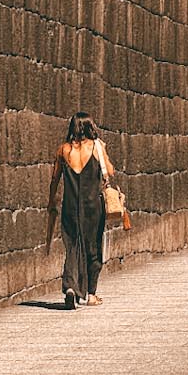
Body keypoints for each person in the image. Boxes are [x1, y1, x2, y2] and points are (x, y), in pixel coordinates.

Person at [46, 113, 126, 309]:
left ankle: (70, 287)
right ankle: (91, 294)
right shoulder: (97, 147)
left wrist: (51, 203)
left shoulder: (63, 150)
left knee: (72, 246)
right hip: (93, 206)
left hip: (70, 206)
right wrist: (103, 151)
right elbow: (110, 171)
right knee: (93, 247)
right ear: (90, 127)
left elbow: (55, 179)